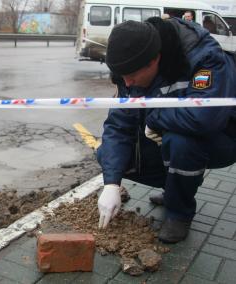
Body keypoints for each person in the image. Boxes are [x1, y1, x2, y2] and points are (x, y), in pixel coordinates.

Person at [97, 17, 236, 243]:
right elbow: (118, 126)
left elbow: (206, 118)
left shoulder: (203, 59)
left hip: (223, 138)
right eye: (123, 77)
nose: (127, 84)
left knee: (180, 142)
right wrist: (112, 184)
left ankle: (179, 213)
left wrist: (156, 119)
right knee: (107, 154)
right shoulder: (131, 64)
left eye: (131, 76)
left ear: (155, 60)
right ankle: (173, 188)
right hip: (172, 133)